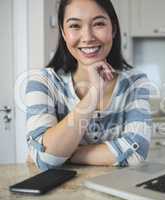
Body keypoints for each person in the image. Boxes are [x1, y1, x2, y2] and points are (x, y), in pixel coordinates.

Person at [25, 0, 152, 171]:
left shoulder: (135, 82)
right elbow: (45, 158)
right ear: (63, 32)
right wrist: (93, 95)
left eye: (99, 24)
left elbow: (136, 153)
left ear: (113, 29)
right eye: (75, 26)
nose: (88, 37)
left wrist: (61, 153)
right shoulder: (42, 81)